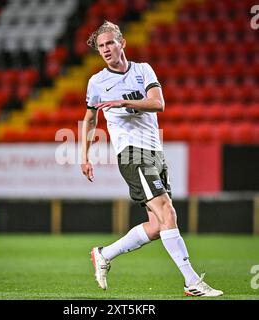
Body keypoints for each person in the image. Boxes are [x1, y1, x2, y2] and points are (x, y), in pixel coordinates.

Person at [81, 20, 223, 297]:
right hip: (132, 153)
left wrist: (124, 102)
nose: (106, 49)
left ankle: (103, 253)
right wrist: (85, 156)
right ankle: (191, 282)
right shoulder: (96, 82)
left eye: (110, 43)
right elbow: (90, 118)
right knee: (167, 211)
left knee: (158, 226)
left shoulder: (143, 70)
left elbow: (158, 103)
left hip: (155, 152)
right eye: (101, 46)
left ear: (122, 43)